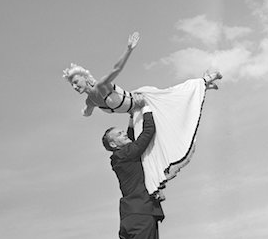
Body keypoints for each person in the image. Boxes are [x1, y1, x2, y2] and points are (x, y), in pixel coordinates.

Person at [63, 32, 222, 199]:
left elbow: (116, 69)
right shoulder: (91, 101)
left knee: (174, 97)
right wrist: (85, 112)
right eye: (71, 84)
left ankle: (205, 81)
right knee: (149, 153)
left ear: (85, 78)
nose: (74, 86)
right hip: (136, 112)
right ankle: (157, 187)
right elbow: (87, 112)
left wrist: (129, 49)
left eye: (76, 81)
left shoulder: (101, 85)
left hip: (143, 99)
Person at [95, 102, 164, 239]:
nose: (124, 134)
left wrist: (132, 113)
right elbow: (147, 133)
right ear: (113, 143)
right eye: (119, 134)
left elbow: (134, 134)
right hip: (142, 215)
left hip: (128, 218)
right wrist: (148, 109)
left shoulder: (120, 157)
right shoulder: (126, 153)